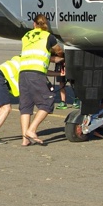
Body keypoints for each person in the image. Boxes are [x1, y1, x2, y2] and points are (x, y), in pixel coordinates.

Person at [18, 14, 63, 146]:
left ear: (34, 24)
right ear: (46, 25)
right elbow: (58, 51)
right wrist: (58, 56)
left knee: (26, 106)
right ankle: (32, 130)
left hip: (23, 72)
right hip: (36, 73)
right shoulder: (48, 36)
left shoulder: (25, 36)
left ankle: (25, 139)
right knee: (47, 101)